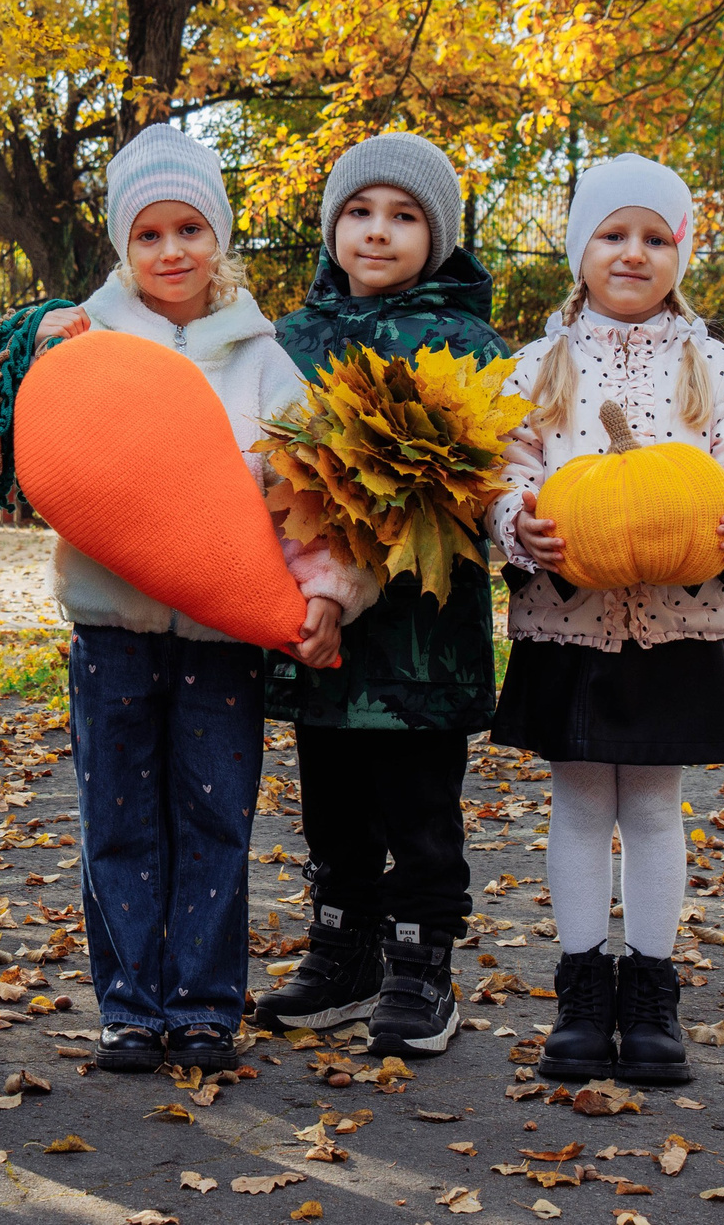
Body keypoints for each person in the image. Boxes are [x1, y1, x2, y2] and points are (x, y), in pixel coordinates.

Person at [35, 123, 369, 1075]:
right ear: (120, 245)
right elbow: (58, 457)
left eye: (190, 228)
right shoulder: (88, 340)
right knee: (121, 818)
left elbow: (316, 495)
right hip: (112, 625)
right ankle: (132, 1007)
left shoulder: (263, 358)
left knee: (217, 814)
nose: (172, 250)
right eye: (149, 233)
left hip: (226, 627)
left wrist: (330, 594)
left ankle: (207, 1006)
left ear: (218, 235)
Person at [487, 154, 724, 1086]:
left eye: (656, 238)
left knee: (654, 806)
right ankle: (582, 989)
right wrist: (516, 524)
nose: (634, 252)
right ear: (580, 249)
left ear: (680, 255)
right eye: (613, 234)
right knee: (579, 804)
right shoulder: (540, 364)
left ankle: (651, 990)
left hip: (678, 621)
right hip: (566, 617)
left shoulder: (716, 364)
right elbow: (504, 472)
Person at [254, 133, 505, 1057]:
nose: (377, 231)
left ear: (436, 237)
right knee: (330, 801)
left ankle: (420, 959)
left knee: (419, 806)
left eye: (404, 216)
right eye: (359, 212)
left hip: (420, 636)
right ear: (331, 228)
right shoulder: (291, 338)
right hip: (319, 627)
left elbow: (491, 472)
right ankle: (344, 945)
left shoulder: (466, 342)